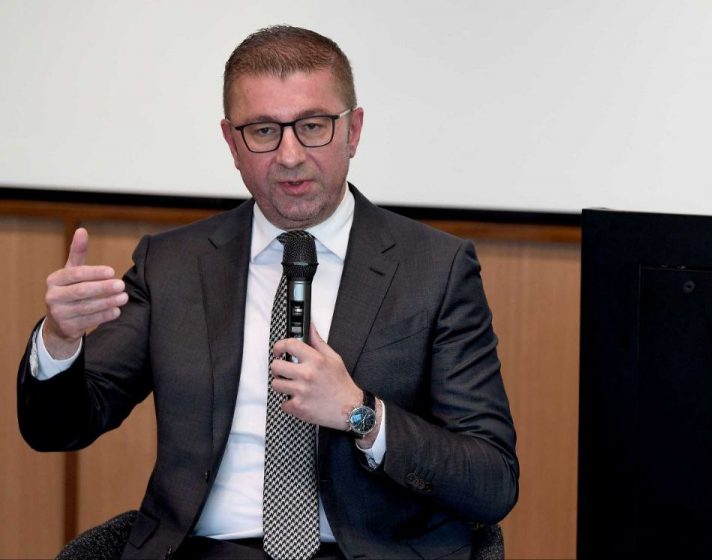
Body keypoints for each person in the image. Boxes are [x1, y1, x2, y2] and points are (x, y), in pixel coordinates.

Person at [17, 25, 518, 560]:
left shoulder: (434, 269)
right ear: (232, 143)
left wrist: (360, 413)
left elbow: (490, 480)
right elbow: (59, 429)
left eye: (313, 126)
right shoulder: (174, 266)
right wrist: (61, 341)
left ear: (354, 130)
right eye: (263, 131)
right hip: (208, 549)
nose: (290, 155)